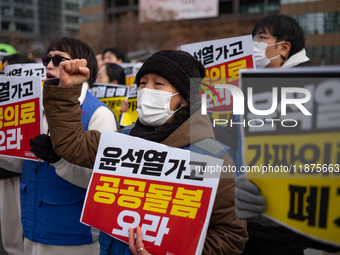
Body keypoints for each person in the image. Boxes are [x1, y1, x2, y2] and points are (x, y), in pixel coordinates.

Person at [42, 50, 248, 255]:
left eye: (158, 84)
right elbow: (71, 144)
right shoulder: (122, 140)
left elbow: (230, 236)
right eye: (142, 83)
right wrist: (66, 91)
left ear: (184, 99)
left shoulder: (212, 158)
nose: (147, 90)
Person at [0, 37, 118, 255]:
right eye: (47, 59)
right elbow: (22, 164)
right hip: (32, 229)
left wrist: (58, 159)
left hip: (75, 238)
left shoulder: (99, 114)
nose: (50, 65)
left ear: (82, 68)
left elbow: (102, 182)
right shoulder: (32, 107)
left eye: (58, 59)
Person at [234, 14, 340, 255]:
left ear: (283, 48)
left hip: (279, 229)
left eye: (260, 38)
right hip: (253, 222)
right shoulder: (262, 86)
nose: (253, 45)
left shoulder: (309, 90)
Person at [0, 53, 33, 255]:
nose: (5, 74)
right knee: (9, 232)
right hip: (4, 171)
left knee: (21, 232)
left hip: (23, 172)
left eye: (10, 70)